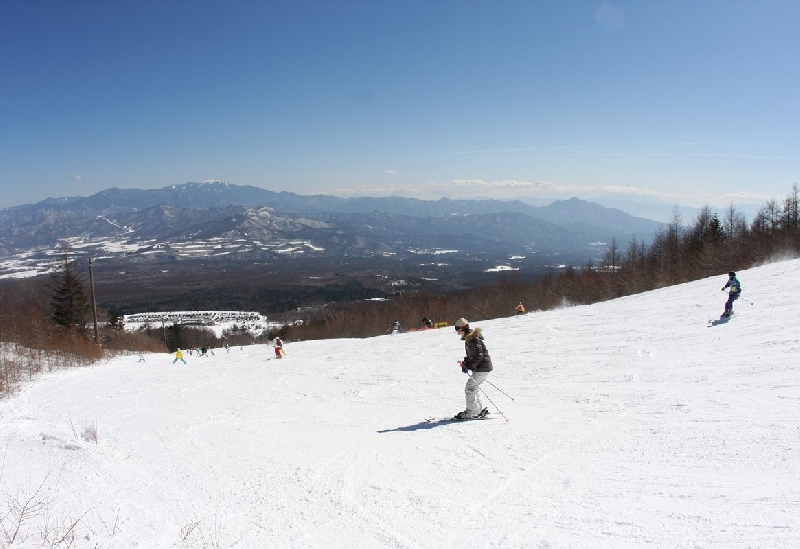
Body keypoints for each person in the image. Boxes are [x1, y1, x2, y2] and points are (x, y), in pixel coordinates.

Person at [453, 318, 493, 420]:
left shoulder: (473, 339)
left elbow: (479, 356)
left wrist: (469, 366)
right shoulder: (469, 339)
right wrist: (465, 363)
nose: (458, 333)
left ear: (463, 329)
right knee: (473, 388)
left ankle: (472, 412)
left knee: (469, 388)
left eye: (458, 330)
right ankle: (478, 410)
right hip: (482, 367)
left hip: (483, 367)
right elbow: (472, 356)